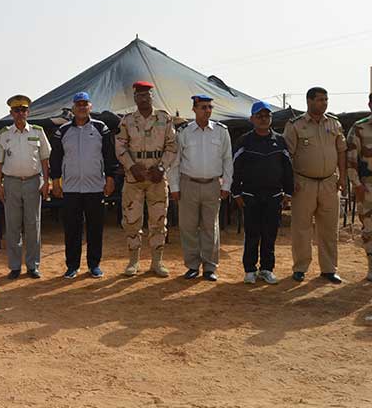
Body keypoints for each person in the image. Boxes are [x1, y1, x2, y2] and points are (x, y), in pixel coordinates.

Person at [49, 92, 117, 279]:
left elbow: (109, 155)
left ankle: (94, 265)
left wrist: (110, 178)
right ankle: (72, 266)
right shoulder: (62, 131)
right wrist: (55, 181)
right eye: (78, 104)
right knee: (72, 229)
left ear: (90, 107)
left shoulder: (100, 128)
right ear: (73, 108)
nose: (81, 107)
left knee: (95, 228)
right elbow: (56, 158)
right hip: (70, 188)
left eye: (85, 104)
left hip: (95, 186)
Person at [283, 87, 347, 284]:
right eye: (320, 100)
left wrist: (342, 177)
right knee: (301, 228)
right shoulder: (295, 125)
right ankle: (300, 267)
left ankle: (329, 269)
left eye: (326, 99)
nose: (324, 103)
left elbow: (342, 151)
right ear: (309, 101)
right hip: (304, 183)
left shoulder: (334, 124)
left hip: (329, 182)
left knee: (329, 228)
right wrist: (290, 182)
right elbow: (287, 157)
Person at [115, 81, 178, 277]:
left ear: (152, 97)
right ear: (135, 98)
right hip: (134, 177)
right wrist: (131, 166)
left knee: (158, 220)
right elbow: (119, 145)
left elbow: (172, 146)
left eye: (146, 95)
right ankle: (133, 262)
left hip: (156, 177)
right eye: (139, 95)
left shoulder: (164, 119)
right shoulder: (126, 121)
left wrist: (161, 168)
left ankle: (157, 262)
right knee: (132, 220)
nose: (143, 98)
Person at [169, 95, 233, 281]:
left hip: (212, 185)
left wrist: (227, 184)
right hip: (188, 184)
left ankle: (210, 267)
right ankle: (192, 266)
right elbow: (175, 162)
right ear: (194, 109)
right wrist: (174, 186)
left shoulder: (221, 131)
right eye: (203, 107)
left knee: (210, 227)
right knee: (187, 227)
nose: (207, 110)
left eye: (209, 107)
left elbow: (228, 160)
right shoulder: (184, 132)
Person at [231, 102, 293, 285]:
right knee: (252, 234)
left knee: (269, 234)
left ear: (271, 119)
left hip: (274, 196)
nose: (263, 119)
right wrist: (236, 193)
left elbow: (288, 168)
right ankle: (250, 269)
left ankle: (267, 269)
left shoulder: (280, 140)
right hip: (250, 195)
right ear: (252, 119)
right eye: (259, 116)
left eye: (267, 116)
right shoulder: (244, 141)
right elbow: (235, 168)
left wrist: (288, 192)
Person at [0, 95, 51, 279]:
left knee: (33, 225)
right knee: (12, 226)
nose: (20, 113)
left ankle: (33, 265)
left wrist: (46, 183)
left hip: (33, 182)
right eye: (16, 110)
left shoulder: (37, 131)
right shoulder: (4, 133)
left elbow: (45, 159)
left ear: (28, 112)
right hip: (11, 183)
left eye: (23, 110)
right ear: (11, 113)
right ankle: (14, 266)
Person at [347, 93, 372, 281]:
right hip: (368, 187)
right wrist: (357, 185)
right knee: (369, 229)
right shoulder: (359, 128)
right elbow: (350, 161)